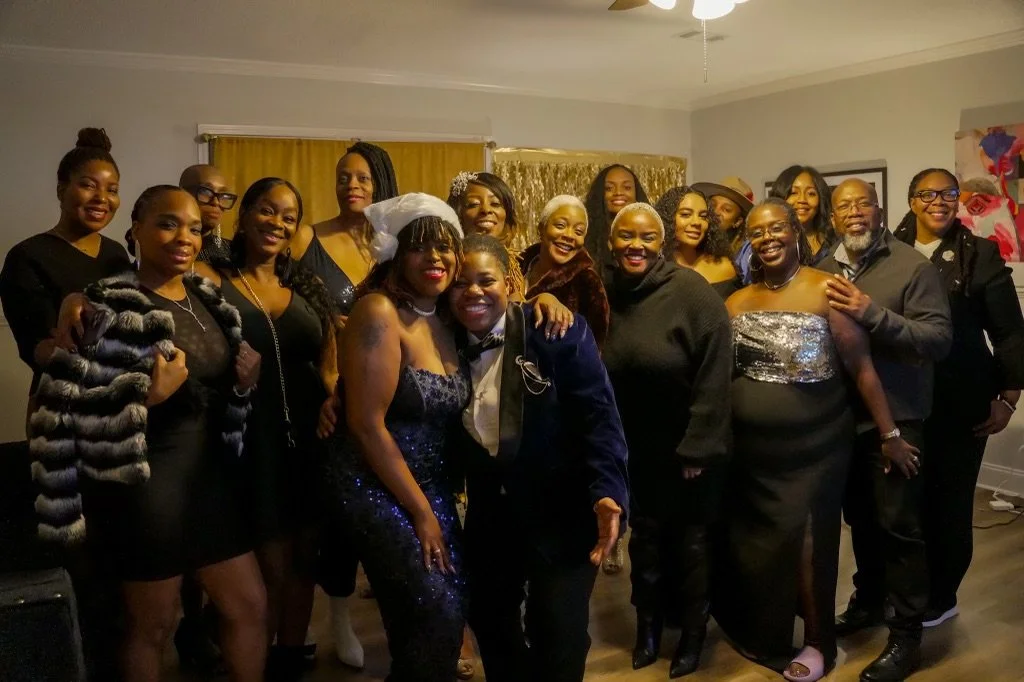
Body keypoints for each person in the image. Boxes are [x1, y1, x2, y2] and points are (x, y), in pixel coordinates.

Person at [30, 185, 265, 682]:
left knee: (248, 606)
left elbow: (217, 400)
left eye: (196, 228)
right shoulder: (105, 307)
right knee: (153, 625)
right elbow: (57, 409)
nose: (184, 236)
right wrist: (145, 398)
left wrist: (244, 386)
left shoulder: (208, 300)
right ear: (135, 230)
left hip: (210, 482)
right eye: (168, 223)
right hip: (146, 487)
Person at [716, 198, 919, 682]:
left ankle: (818, 643)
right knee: (760, 543)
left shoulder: (829, 290)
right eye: (756, 231)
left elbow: (863, 369)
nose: (767, 238)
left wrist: (890, 434)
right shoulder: (736, 302)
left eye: (776, 228)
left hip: (816, 448)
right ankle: (764, 632)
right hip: (752, 453)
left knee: (811, 543)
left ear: (795, 232)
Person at [450, 234, 629, 682]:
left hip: (562, 511)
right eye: (460, 282)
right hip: (491, 513)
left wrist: (608, 491)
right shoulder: (441, 338)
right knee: (491, 620)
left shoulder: (556, 331)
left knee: (560, 630)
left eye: (485, 279)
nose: (473, 291)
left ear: (510, 283)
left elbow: (600, 416)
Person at [0, 126, 131, 681]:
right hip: (62, 418)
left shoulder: (120, 254)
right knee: (75, 549)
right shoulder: (28, 256)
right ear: (60, 188)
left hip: (120, 415)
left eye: (111, 188)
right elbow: (40, 350)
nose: (100, 198)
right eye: (86, 185)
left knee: (121, 547)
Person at [194, 178, 338, 680]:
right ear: (245, 214)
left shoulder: (306, 284)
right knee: (270, 564)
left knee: (306, 557)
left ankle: (290, 655)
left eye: (288, 217)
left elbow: (329, 363)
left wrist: (334, 400)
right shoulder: (211, 278)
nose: (277, 223)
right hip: (250, 438)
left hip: (312, 435)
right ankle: (248, 655)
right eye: (267, 211)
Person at [325, 193, 469, 682]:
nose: (435, 258)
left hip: (433, 485)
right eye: (420, 247)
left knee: (443, 617)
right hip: (376, 484)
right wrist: (421, 512)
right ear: (396, 255)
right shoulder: (379, 312)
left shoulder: (449, 317)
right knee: (432, 609)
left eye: (445, 247)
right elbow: (365, 425)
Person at [821, 179, 952, 682]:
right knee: (863, 522)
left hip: (898, 422)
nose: (854, 213)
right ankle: (869, 602)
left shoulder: (912, 267)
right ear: (832, 218)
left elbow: (937, 339)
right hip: (837, 422)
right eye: (843, 207)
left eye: (863, 204)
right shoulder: (822, 267)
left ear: (880, 211)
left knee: (901, 528)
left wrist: (871, 313)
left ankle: (905, 636)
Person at [601, 202, 732, 678]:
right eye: (626, 236)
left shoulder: (690, 292)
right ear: (612, 242)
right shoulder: (605, 289)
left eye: (647, 238)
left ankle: (694, 638)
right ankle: (648, 630)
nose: (636, 245)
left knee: (692, 548)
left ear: (661, 243)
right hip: (636, 449)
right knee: (647, 547)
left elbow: (716, 371)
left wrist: (699, 445)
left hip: (688, 450)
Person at [891, 169, 1024, 627]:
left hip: (960, 399)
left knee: (948, 502)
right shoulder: (889, 251)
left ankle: (941, 594)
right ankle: (904, 588)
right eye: (927, 194)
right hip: (901, 399)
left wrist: (1008, 398)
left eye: (948, 194)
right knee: (903, 502)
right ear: (911, 202)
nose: (939, 202)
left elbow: (1009, 332)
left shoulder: (980, 255)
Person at [291, 140, 399, 668]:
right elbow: (280, 303)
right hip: (328, 395)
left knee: (392, 511)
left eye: (361, 177)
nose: (350, 185)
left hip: (393, 401)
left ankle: (402, 620)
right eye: (342, 177)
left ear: (380, 182)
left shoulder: (396, 241)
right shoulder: (308, 237)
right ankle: (337, 620)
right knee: (338, 518)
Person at [519, 194, 610, 347]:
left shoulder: (588, 281)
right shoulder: (516, 266)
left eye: (578, 232)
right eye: (560, 226)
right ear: (541, 228)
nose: (569, 235)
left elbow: (594, 347)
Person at [447, 171, 527, 296]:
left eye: (495, 204)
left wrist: (542, 298)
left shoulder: (512, 263)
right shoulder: (449, 260)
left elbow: (517, 309)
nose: (486, 210)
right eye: (474, 204)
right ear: (458, 214)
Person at [655, 185, 739, 299]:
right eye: (686, 214)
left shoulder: (724, 266)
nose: (697, 222)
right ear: (667, 219)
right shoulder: (656, 268)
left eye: (703, 216)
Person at [583, 164, 650, 268]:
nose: (618, 192)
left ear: (636, 193)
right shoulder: (584, 237)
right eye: (609, 188)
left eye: (627, 187)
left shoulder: (651, 234)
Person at [770, 165, 836, 265]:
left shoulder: (834, 243)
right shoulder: (767, 241)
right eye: (793, 193)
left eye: (811, 193)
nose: (802, 200)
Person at [180, 164, 237, 264]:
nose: (216, 202)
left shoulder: (234, 253)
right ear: (183, 194)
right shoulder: (167, 247)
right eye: (206, 192)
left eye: (223, 195)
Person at [691, 176, 755, 257]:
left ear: (737, 221)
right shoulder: (691, 241)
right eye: (712, 205)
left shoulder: (745, 254)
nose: (716, 212)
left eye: (726, 209)